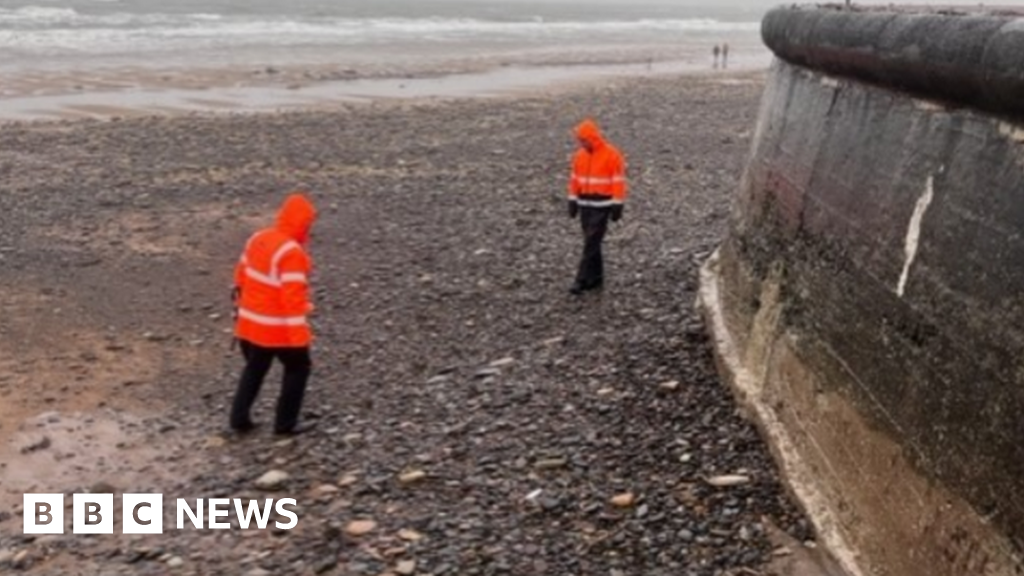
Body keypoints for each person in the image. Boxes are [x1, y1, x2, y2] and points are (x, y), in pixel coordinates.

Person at [229, 192, 318, 435]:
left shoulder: (258, 238)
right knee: (299, 368)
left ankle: (238, 419)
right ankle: (285, 424)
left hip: (250, 325)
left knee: (255, 368)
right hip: (276, 327)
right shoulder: (292, 253)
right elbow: (292, 300)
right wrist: (299, 336)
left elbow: (241, 276)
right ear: (303, 224)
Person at [566, 119, 628, 295]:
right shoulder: (580, 155)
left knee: (591, 241)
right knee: (591, 241)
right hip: (585, 204)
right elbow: (574, 179)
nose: (581, 143)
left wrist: (618, 204)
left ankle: (580, 278)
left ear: (592, 138)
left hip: (603, 205)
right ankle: (596, 277)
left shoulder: (612, 155)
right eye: (580, 140)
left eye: (583, 140)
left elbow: (618, 181)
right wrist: (572, 200)